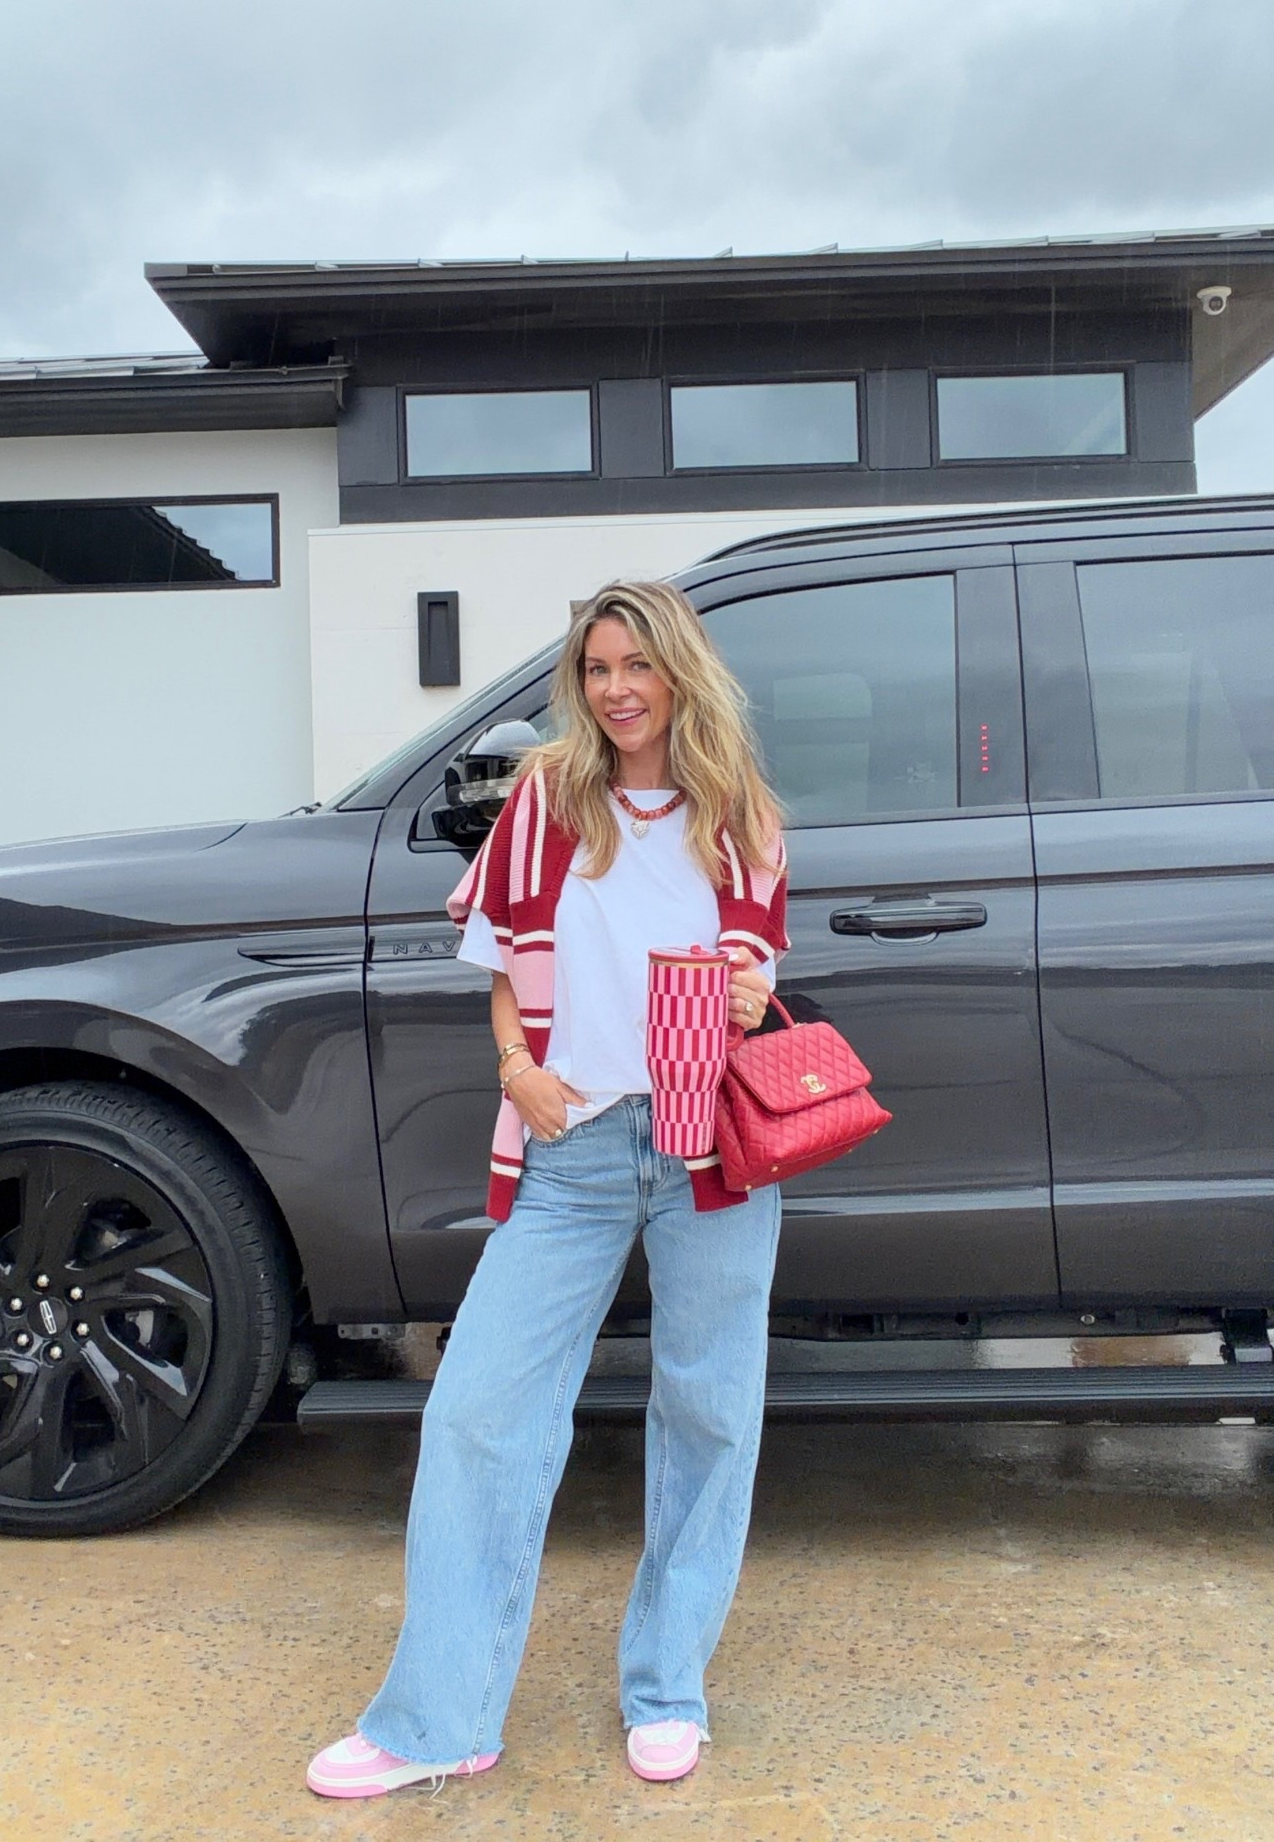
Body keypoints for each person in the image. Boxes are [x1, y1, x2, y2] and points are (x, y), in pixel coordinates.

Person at [308, 579, 789, 1799]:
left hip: (711, 1146)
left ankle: (669, 1683)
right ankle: (439, 1718)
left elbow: (753, 971)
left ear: (681, 669)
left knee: (710, 1413)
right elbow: (501, 969)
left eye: (638, 664)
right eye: (597, 668)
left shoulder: (740, 814)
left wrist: (741, 996)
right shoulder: (543, 804)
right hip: (573, 1146)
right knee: (477, 1411)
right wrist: (516, 1068)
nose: (617, 688)